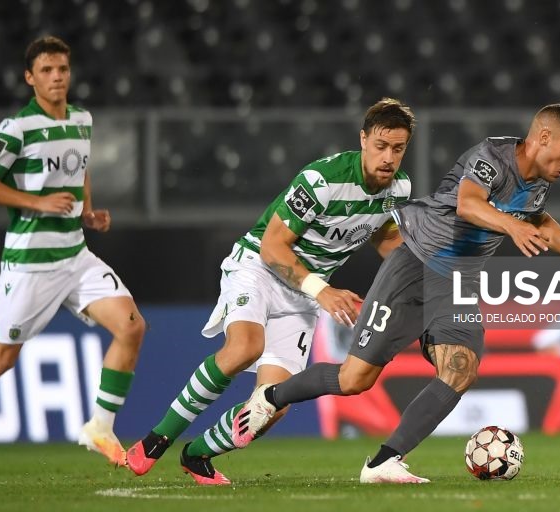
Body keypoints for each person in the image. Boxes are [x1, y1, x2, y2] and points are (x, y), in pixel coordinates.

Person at [232, 104, 560, 483]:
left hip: (458, 283)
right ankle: (272, 396)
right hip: (416, 265)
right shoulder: (492, 156)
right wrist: (511, 227)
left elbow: (539, 220)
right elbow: (468, 204)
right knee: (354, 379)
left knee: (461, 369)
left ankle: (385, 460)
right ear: (544, 137)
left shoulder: (538, 183)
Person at [126, 98, 416, 485]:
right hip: (259, 269)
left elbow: (385, 238)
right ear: (363, 139)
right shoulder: (322, 180)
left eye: (398, 149)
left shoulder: (399, 189)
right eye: (381, 145)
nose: (389, 157)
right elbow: (273, 247)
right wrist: (323, 290)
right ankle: (156, 438)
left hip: (302, 296)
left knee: (272, 405)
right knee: (244, 346)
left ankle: (198, 454)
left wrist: (412, 280)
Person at [0, 36, 146, 481]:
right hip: (30, 263)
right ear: (30, 78)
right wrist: (36, 202)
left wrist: (88, 212)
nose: (56, 77)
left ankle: (100, 427)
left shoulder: (82, 119)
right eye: (46, 70)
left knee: (131, 326)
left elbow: (79, 171)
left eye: (62, 69)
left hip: (75, 255)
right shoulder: (17, 128)